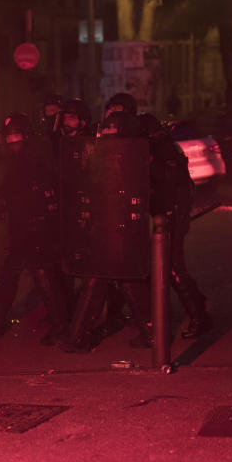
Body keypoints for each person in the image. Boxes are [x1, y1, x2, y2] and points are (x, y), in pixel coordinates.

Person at [59, 111, 152, 352]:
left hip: (118, 227)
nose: (108, 138)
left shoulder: (130, 158)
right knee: (116, 279)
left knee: (107, 279)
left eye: (113, 133)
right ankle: (152, 331)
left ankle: (78, 337)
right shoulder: (104, 156)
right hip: (107, 226)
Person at [0, 114, 69, 346]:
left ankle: (60, 327)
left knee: (43, 274)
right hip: (22, 226)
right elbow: (11, 190)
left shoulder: (34, 158)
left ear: (26, 137)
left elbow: (36, 191)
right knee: (9, 271)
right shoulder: (16, 162)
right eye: (9, 138)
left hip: (37, 226)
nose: (12, 142)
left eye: (17, 136)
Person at [139, 113, 213, 339]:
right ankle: (198, 308)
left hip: (171, 216)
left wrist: (169, 214)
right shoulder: (163, 147)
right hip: (169, 215)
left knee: (172, 267)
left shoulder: (162, 150)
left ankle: (199, 317)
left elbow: (169, 187)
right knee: (169, 267)